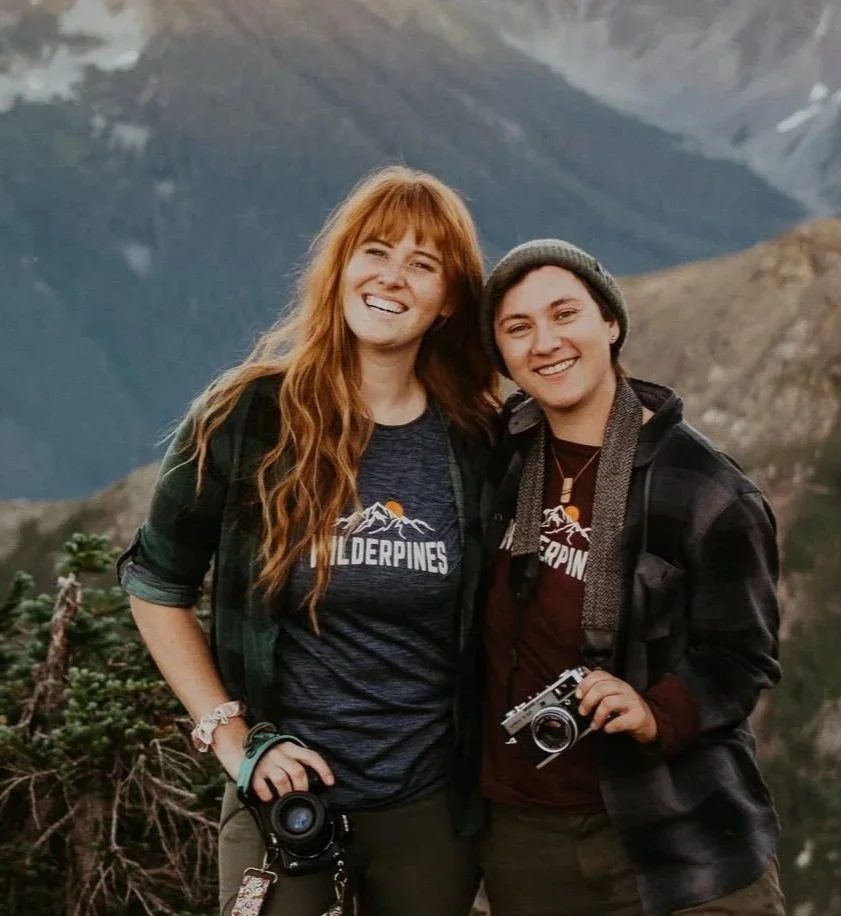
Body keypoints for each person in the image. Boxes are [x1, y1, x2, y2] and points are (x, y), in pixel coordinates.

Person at [117, 166, 499, 916]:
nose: (392, 278)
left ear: (449, 299)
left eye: (423, 265)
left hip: (426, 807)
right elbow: (155, 583)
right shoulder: (248, 417)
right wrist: (233, 740)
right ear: (341, 265)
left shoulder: (476, 443)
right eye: (375, 252)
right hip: (281, 797)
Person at [474, 239, 786, 916]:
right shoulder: (500, 456)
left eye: (565, 314)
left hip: (679, 838)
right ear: (500, 354)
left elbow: (742, 658)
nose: (546, 342)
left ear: (609, 322)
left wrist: (653, 712)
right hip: (524, 840)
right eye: (517, 328)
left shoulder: (707, 491)